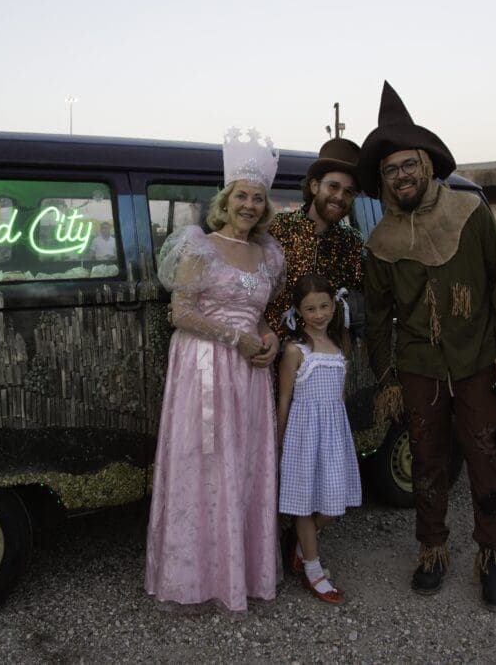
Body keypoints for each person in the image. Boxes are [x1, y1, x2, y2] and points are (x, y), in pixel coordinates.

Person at [359, 82, 496, 612]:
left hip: (479, 362)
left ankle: (493, 558)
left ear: (427, 165)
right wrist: (387, 377)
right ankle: (432, 551)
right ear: (384, 180)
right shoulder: (381, 241)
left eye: (408, 165)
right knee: (427, 461)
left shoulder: (471, 213)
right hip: (418, 368)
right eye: (391, 170)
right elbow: (377, 316)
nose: (402, 176)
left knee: (485, 459)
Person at [145, 128, 284, 612]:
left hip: (248, 373)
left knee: (243, 468)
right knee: (202, 466)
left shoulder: (268, 254)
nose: (249, 205)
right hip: (203, 368)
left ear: (265, 207)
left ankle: (240, 574)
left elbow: (259, 312)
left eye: (258, 198)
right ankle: (194, 579)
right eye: (242, 196)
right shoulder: (198, 245)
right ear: (226, 200)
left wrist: (270, 339)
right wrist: (237, 339)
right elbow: (179, 313)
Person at [276, 275, 362, 606]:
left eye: (324, 305)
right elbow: (284, 399)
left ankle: (300, 544)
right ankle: (313, 569)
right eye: (310, 309)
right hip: (303, 434)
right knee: (304, 503)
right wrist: (280, 441)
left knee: (333, 503)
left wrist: (340, 435)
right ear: (298, 311)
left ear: (333, 304)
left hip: (332, 433)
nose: (319, 314)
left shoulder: (339, 347)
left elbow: (338, 397)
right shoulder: (295, 350)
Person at [266, 138, 364, 340]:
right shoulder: (277, 227)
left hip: (324, 360)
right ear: (314, 186)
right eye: (333, 187)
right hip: (272, 355)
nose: (339, 197)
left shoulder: (351, 241)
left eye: (348, 192)